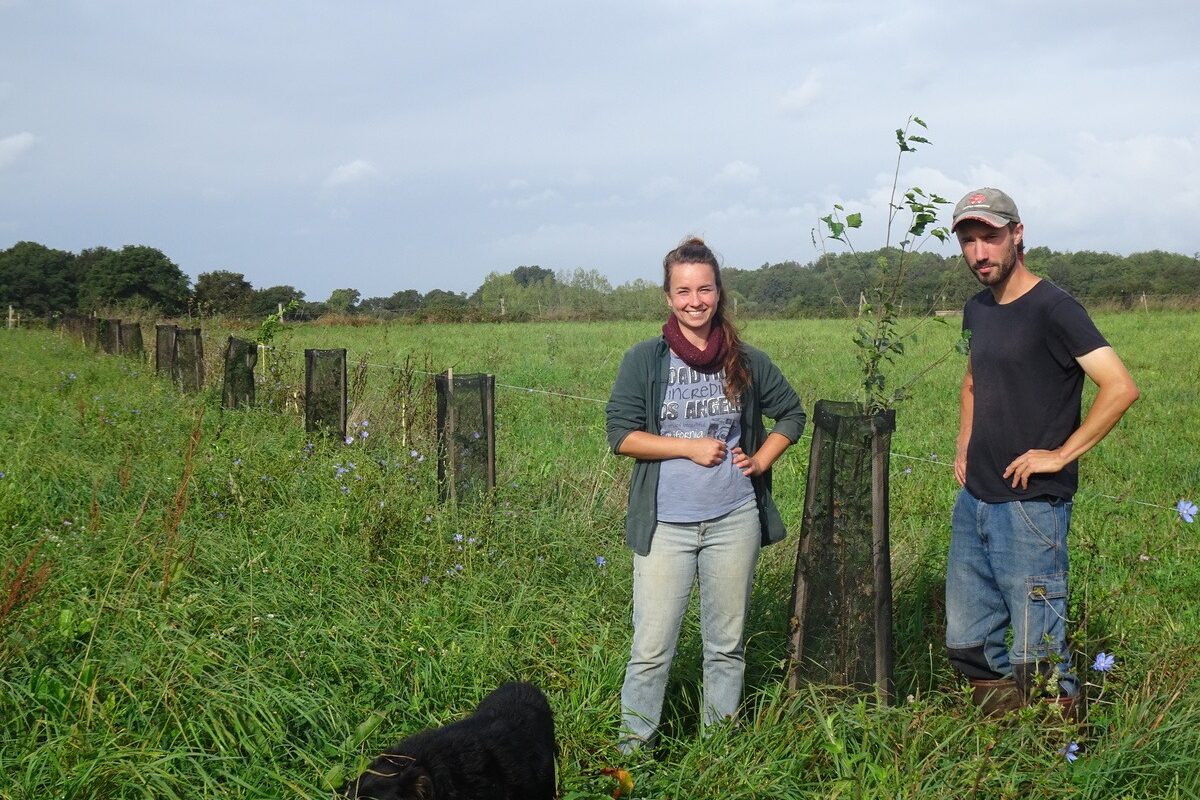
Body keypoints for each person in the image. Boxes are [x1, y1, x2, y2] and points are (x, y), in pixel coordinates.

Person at [605, 236, 806, 752]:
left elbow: (792, 413)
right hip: (666, 525)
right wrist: (687, 448)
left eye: (705, 289)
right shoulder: (644, 360)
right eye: (683, 291)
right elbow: (621, 435)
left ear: (719, 293)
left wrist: (760, 460)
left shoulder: (746, 360)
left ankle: (718, 749)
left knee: (726, 645)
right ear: (668, 297)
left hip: (734, 518)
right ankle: (634, 751)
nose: (695, 301)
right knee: (651, 648)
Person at [946, 188, 1140, 713]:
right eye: (969, 240)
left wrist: (1059, 455)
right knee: (969, 646)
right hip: (975, 502)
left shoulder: (1055, 309)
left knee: (1042, 659)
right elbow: (971, 382)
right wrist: (964, 443)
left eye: (990, 237)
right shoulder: (977, 309)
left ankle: (1063, 762)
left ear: (1018, 233)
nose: (980, 252)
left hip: (1032, 509)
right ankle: (1009, 750)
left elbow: (1119, 387)